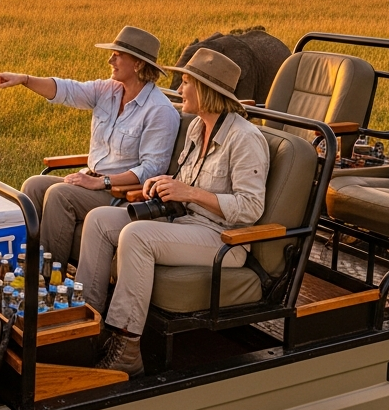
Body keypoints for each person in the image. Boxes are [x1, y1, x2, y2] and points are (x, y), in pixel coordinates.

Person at [79, 47, 270, 376]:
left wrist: (192, 192)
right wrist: (166, 184)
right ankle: (86, 325)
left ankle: (126, 348)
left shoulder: (245, 139)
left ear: (206, 90)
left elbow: (250, 208)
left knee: (137, 236)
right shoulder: (198, 127)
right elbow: (187, 183)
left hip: (223, 238)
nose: (179, 90)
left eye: (185, 83)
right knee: (99, 221)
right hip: (186, 221)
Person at [0, 26, 179, 268]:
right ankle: (23, 264)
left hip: (121, 195)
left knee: (60, 195)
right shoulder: (108, 90)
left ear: (139, 64)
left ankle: (45, 279)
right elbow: (67, 90)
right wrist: (24, 80)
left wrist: (103, 182)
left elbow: (152, 169)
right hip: (93, 182)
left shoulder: (160, 111)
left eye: (118, 55)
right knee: (34, 185)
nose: (111, 59)